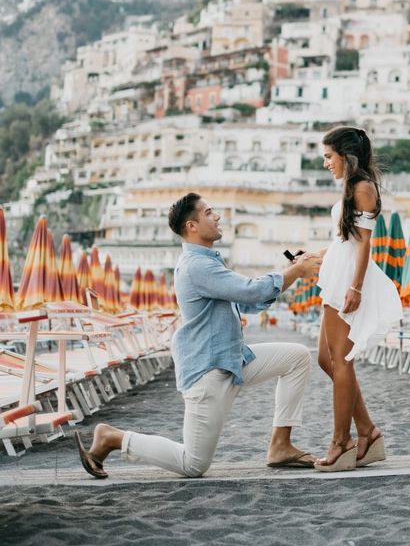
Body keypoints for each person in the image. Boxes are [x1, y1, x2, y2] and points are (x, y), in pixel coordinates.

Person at [74, 192, 322, 479]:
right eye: (209, 212)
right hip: (208, 371)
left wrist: (292, 272)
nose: (216, 217)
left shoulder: (208, 262)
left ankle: (281, 445)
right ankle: (112, 438)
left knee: (297, 357)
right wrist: (295, 271)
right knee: (193, 464)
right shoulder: (197, 266)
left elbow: (246, 302)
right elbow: (252, 290)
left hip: (232, 359)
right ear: (192, 225)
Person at [314, 126, 403, 472]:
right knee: (327, 360)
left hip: (349, 280)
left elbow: (366, 243)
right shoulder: (351, 188)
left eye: (328, 156)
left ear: (346, 156)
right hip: (337, 273)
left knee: (341, 360)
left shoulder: (363, 187)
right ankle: (367, 430)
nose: (326, 164)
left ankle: (342, 441)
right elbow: (347, 241)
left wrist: (356, 287)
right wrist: (314, 255)